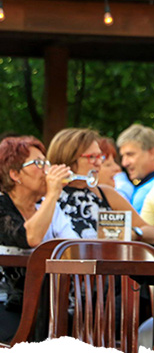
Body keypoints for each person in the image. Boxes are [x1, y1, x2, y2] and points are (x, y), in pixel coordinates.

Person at [0, 136, 76, 343]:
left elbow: (74, 247)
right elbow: (30, 237)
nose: (47, 170)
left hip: (48, 306)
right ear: (15, 174)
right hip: (6, 306)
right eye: (39, 164)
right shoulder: (2, 207)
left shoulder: (49, 207)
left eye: (46, 162)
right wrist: (52, 195)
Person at [47, 128, 154, 244]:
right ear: (68, 158)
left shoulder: (105, 194)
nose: (98, 163)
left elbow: (153, 232)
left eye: (100, 157)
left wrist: (134, 233)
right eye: (92, 157)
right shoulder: (46, 196)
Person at [116, 124, 154, 222]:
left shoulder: (153, 188)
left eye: (130, 154)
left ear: (152, 153)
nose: (124, 163)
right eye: (122, 157)